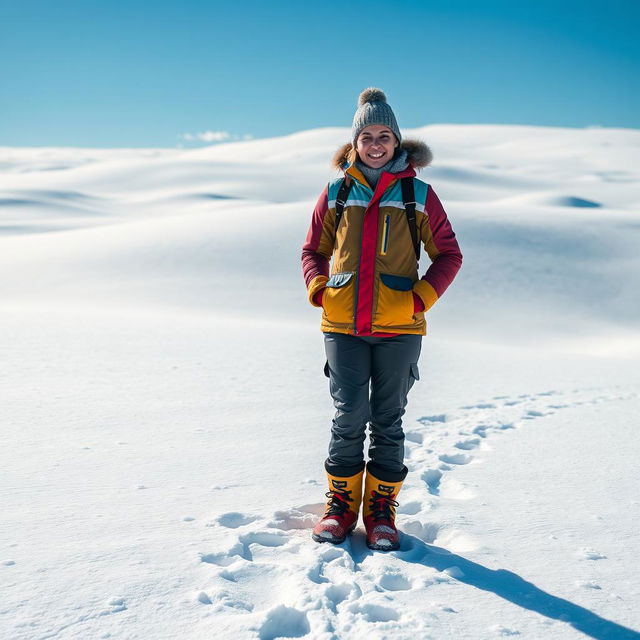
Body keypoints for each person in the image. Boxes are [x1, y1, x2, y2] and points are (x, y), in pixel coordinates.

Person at [301, 88, 462, 551]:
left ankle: (381, 512)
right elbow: (313, 250)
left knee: (388, 419)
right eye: (366, 135)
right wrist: (319, 288)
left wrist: (420, 299)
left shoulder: (418, 194)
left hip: (399, 329)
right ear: (354, 143)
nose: (375, 144)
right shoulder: (337, 191)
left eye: (384, 135)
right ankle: (340, 507)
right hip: (343, 326)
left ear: (397, 141)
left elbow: (448, 254)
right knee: (349, 414)